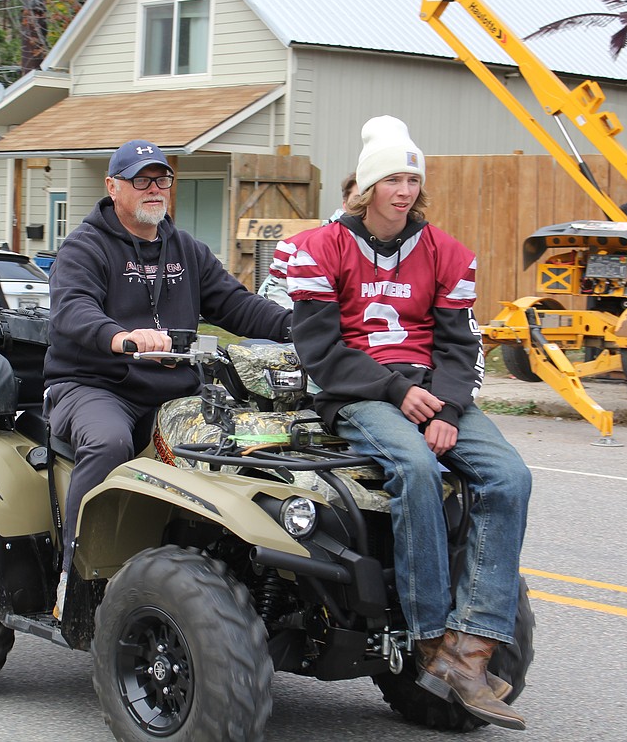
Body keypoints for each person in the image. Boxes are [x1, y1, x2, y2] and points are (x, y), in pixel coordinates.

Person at [287, 116, 530, 731]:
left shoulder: (447, 253)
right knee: (416, 466)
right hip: (359, 392)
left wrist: (445, 408)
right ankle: (426, 637)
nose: (403, 189)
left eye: (411, 178)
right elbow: (321, 353)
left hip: (433, 391)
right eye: (391, 178)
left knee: (509, 477)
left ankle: (470, 648)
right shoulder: (319, 248)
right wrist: (399, 392)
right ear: (366, 186)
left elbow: (459, 346)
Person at [43, 139, 292, 616]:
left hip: (174, 390)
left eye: (162, 179)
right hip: (94, 385)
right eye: (141, 179)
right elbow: (72, 310)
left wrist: (296, 326)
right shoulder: (85, 246)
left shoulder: (186, 250)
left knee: (251, 439)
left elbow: (236, 306)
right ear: (113, 187)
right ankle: (75, 572)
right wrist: (121, 337)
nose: (154, 188)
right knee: (110, 442)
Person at [257, 172, 360, 310]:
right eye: (357, 199)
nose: (363, 205)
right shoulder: (306, 245)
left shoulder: (392, 247)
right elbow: (270, 293)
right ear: (345, 204)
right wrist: (301, 323)